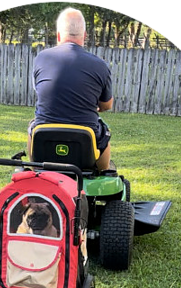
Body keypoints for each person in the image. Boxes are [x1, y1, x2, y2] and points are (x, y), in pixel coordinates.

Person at [27, 7, 113, 170]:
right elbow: (107, 105)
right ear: (85, 36)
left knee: (33, 125)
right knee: (103, 131)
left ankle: (36, 169)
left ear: (58, 35)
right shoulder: (100, 65)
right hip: (84, 141)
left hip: (44, 139)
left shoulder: (42, 58)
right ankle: (103, 172)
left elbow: (40, 92)